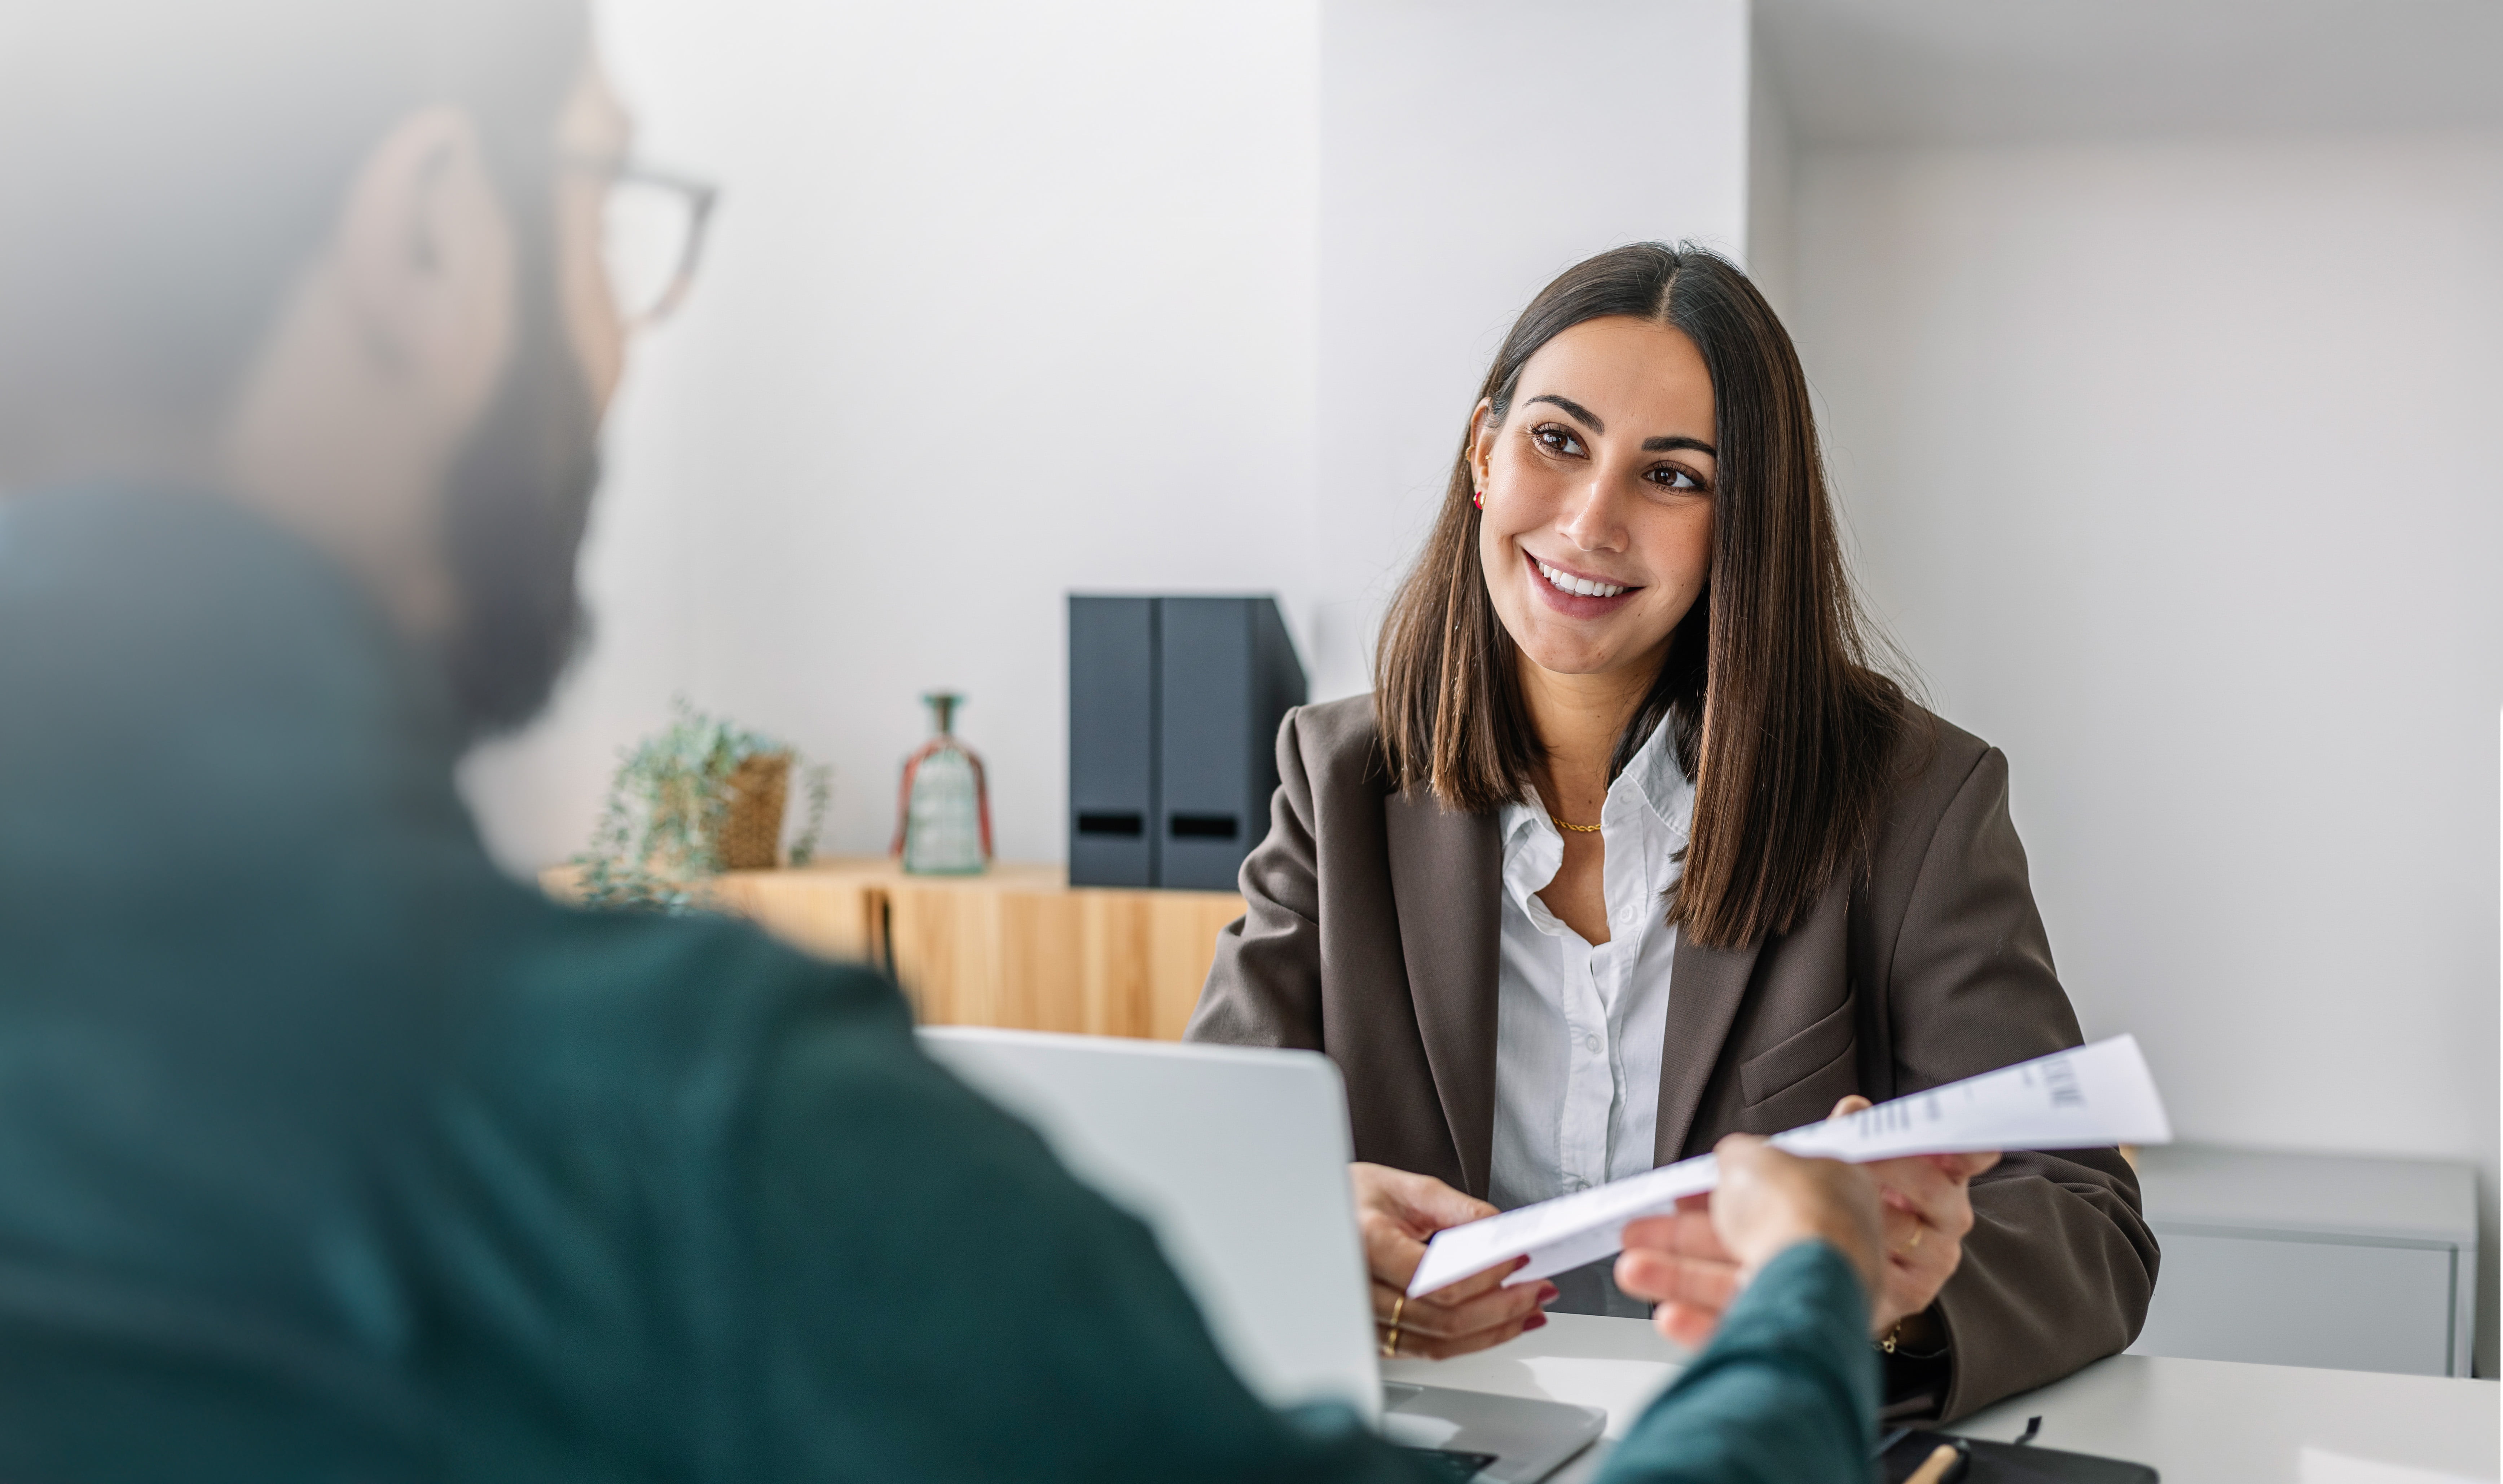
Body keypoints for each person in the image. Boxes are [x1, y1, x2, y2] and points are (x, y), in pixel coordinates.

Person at [0, 1, 1897, 1478]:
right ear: (428, 239)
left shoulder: (1896, 789)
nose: (622, 326)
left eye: (1673, 478)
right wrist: (1797, 1301)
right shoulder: (702, 1136)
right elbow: (1231, 1143)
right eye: (601, 213)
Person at [1187, 244, 2161, 1420]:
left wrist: (1883, 1292)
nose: (1593, 521)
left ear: (1739, 526)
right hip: (1435, 1439)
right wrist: (1313, 1231)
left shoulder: (1912, 797)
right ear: (1482, 454)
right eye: (1557, 441)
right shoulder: (1334, 780)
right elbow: (1209, 1169)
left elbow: (2083, 1216)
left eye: (1673, 477)